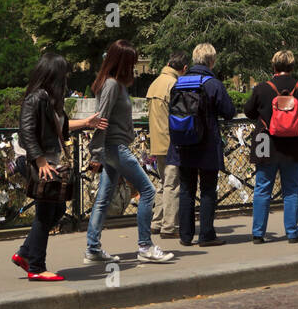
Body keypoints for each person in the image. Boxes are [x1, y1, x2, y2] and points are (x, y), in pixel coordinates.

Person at [12, 52, 107, 281]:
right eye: (64, 73)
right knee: (46, 212)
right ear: (55, 74)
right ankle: (36, 266)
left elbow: (59, 128)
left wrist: (86, 123)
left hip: (47, 160)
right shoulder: (35, 98)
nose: (67, 78)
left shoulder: (50, 99)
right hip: (36, 161)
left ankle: (25, 254)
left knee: (57, 210)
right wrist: (40, 161)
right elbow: (26, 131)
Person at [85, 39, 174, 264]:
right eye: (132, 61)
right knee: (148, 191)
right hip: (115, 148)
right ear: (122, 61)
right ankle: (145, 246)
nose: (135, 66)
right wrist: (95, 154)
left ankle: (93, 248)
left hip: (112, 147)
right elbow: (101, 119)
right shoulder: (113, 85)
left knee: (104, 198)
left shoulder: (114, 84)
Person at [243, 49, 298, 243]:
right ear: (292, 67)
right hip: (293, 143)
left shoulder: (261, 88)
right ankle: (292, 232)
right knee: (292, 189)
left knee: (262, 188)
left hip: (264, 141)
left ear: (273, 66)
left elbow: (249, 112)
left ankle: (258, 233)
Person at [170, 43, 236, 247]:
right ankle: (206, 234)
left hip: (182, 143)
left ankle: (186, 235)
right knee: (208, 189)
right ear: (211, 61)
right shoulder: (213, 84)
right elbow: (229, 111)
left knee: (186, 189)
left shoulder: (179, 83)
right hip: (206, 144)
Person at [145, 51, 187, 239]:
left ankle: (157, 222)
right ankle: (170, 226)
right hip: (171, 141)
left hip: (157, 140)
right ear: (184, 68)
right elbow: (181, 115)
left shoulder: (156, 82)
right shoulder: (174, 84)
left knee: (163, 183)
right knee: (172, 184)